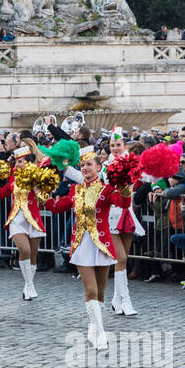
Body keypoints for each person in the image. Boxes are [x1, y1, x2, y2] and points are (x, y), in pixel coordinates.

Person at [42, 147, 130, 351]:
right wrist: (41, 192)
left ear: (99, 167)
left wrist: (125, 186)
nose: (84, 168)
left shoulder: (106, 190)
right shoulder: (75, 190)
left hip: (102, 245)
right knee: (90, 289)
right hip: (82, 245)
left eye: (89, 164)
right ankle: (101, 332)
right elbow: (56, 207)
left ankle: (93, 327)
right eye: (82, 165)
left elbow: (123, 203)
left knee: (100, 292)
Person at [0, 142, 53, 301]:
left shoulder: (36, 177)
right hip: (16, 219)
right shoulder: (12, 177)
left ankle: (28, 285)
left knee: (33, 255)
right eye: (16, 161)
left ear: (29, 163)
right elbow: (2, 194)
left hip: (34, 219)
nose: (17, 164)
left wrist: (39, 187)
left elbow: (44, 198)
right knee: (24, 250)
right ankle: (29, 285)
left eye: (20, 161)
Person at [104, 127, 145, 316]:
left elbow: (145, 177)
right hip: (111, 215)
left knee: (123, 259)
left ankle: (116, 299)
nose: (115, 148)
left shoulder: (132, 163)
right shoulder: (105, 166)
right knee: (119, 258)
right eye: (112, 145)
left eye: (118, 145)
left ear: (125, 145)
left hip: (126, 213)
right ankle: (126, 300)